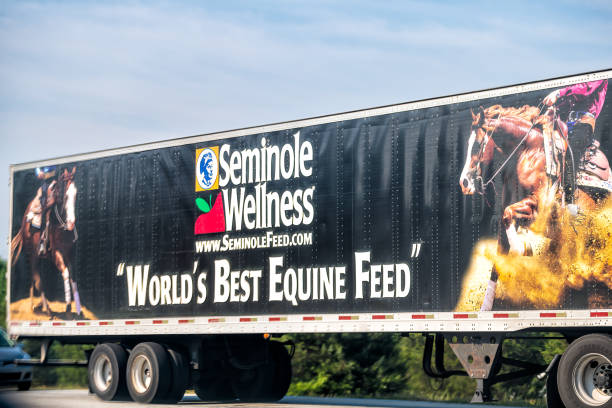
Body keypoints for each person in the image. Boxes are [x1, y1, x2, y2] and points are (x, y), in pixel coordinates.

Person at [543, 79, 609, 193]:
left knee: (571, 155)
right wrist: (555, 107)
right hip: (567, 122)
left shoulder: (598, 74)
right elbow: (571, 99)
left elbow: (586, 88)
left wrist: (559, 93)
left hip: (584, 122)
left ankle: (570, 200)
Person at [34, 165, 56, 255]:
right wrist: (39, 172)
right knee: (44, 210)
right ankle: (42, 241)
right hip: (46, 182)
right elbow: (37, 170)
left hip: (56, 178)